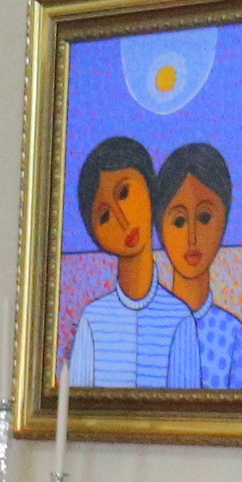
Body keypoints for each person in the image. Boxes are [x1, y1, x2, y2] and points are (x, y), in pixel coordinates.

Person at [60, 137, 181, 391]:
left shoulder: (179, 319)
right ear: (94, 233)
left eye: (125, 193)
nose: (122, 221)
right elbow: (78, 406)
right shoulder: (92, 321)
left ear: (150, 188)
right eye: (104, 216)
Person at [155, 141, 242, 393]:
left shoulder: (231, 333)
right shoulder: (149, 328)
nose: (192, 238)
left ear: (224, 221)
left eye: (205, 218)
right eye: (179, 221)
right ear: (160, 229)